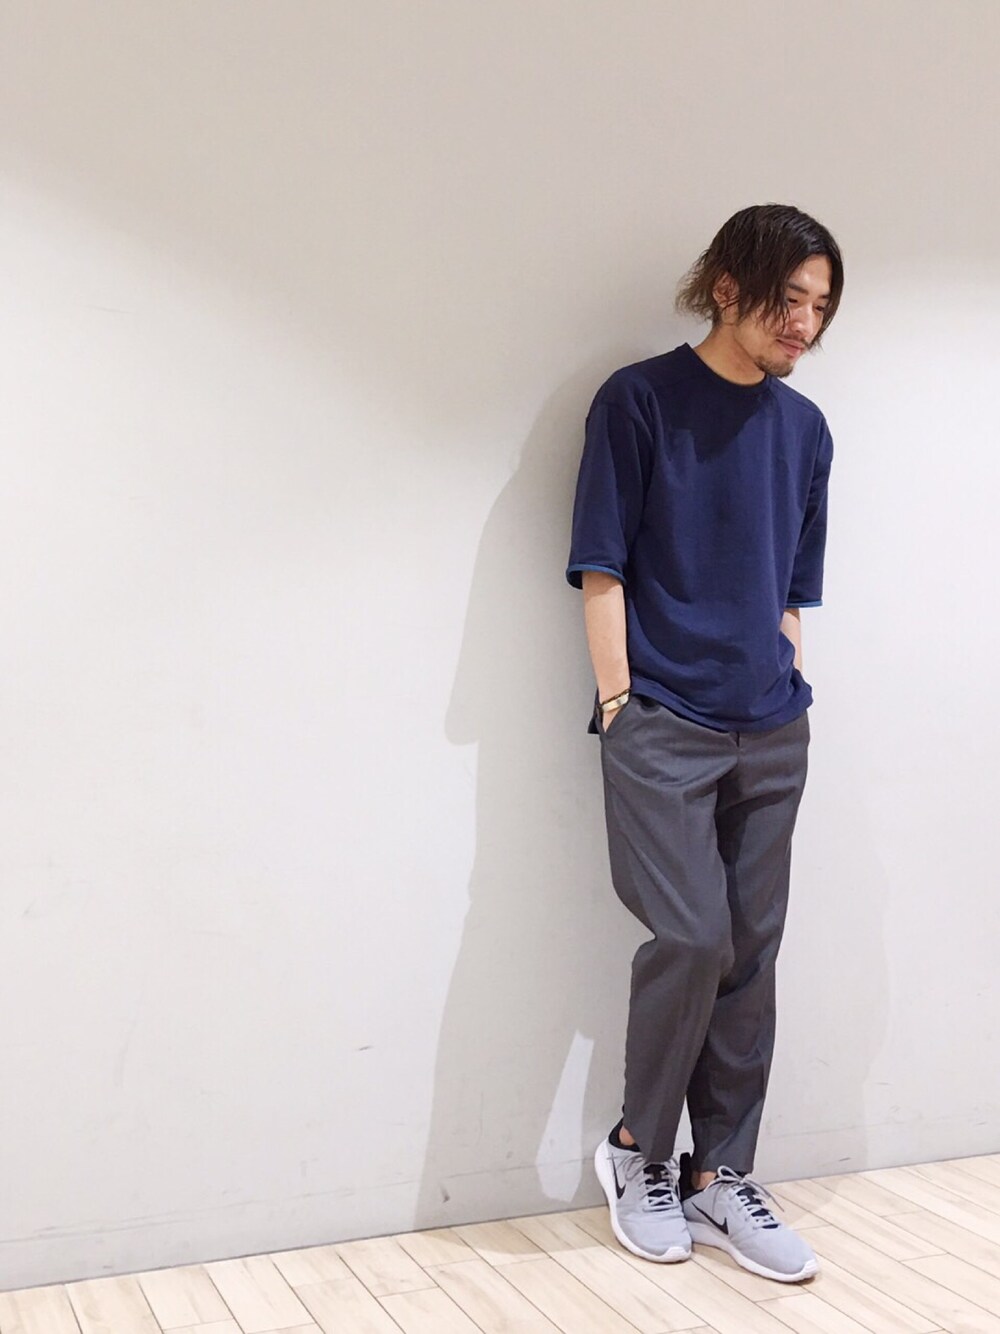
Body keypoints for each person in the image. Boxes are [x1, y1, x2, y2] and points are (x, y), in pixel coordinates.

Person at [566, 204, 843, 1284]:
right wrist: (618, 701)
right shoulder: (639, 401)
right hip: (662, 721)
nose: (805, 323)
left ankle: (720, 1172)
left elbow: (791, 589)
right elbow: (600, 563)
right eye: (790, 298)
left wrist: (787, 680)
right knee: (691, 936)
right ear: (726, 286)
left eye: (821, 305)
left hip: (771, 724)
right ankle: (637, 1149)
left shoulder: (806, 430)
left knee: (751, 952)